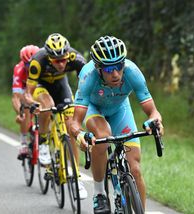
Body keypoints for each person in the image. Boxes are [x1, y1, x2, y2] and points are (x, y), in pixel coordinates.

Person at [70, 35, 164, 213]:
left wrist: (155, 122)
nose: (115, 73)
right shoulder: (87, 76)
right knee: (103, 136)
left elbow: (153, 111)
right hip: (93, 107)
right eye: (109, 68)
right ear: (98, 68)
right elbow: (74, 122)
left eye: (119, 66)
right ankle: (99, 194)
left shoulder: (132, 72)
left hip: (120, 108)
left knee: (135, 169)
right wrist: (79, 135)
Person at [24, 33, 88, 199]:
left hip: (61, 85)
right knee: (47, 105)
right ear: (49, 57)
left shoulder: (75, 57)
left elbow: (88, 82)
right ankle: (44, 141)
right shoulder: (37, 62)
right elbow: (28, 94)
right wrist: (33, 104)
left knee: (71, 129)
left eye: (63, 60)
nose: (61, 63)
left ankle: (76, 177)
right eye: (56, 60)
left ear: (68, 55)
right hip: (41, 86)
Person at [12, 44, 40, 160]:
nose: (31, 67)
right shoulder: (19, 69)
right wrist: (20, 112)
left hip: (38, 88)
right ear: (23, 62)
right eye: (28, 64)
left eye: (33, 63)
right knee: (26, 109)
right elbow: (16, 97)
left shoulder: (42, 66)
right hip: (24, 90)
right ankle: (23, 142)